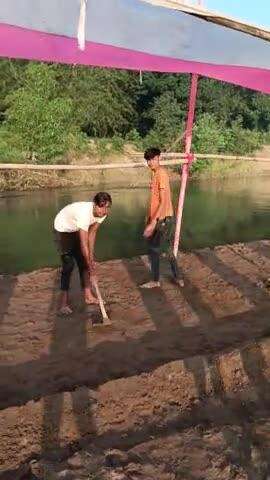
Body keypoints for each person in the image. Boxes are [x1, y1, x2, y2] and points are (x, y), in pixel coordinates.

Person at [53, 192, 112, 315]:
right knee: (68, 266)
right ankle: (63, 304)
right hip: (63, 228)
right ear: (95, 204)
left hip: (76, 227)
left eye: (107, 207)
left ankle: (88, 296)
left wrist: (91, 259)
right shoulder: (84, 214)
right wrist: (92, 270)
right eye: (102, 207)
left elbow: (92, 233)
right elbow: (84, 243)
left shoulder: (103, 213)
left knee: (84, 262)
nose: (104, 210)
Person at [140, 147, 184, 289]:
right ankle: (177, 277)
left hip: (163, 220)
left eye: (152, 159)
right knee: (165, 249)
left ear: (159, 158)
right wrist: (148, 218)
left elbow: (164, 201)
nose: (150, 162)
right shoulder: (154, 174)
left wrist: (153, 223)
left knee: (155, 249)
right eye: (148, 160)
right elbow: (155, 199)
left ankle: (156, 280)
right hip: (159, 218)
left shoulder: (161, 174)